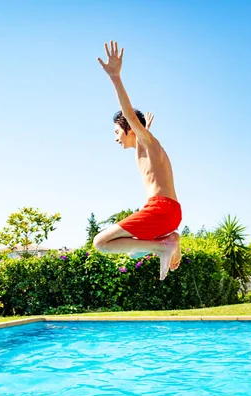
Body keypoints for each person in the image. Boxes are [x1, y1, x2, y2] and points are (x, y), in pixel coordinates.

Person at [93, 40, 182, 281]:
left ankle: (164, 245)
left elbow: (129, 116)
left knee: (101, 243)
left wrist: (115, 77)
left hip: (161, 209)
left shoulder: (145, 140)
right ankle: (169, 240)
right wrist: (145, 127)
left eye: (116, 132)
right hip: (168, 213)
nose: (115, 139)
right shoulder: (144, 146)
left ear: (130, 129)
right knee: (131, 248)